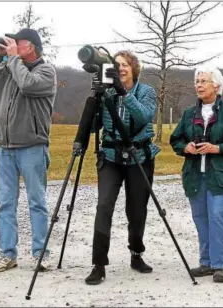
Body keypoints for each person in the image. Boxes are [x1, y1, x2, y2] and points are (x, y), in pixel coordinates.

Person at [0, 28, 57, 273]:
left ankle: (41, 253)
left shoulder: (45, 71)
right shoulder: (8, 67)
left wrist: (11, 59)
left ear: (29, 47)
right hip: (4, 147)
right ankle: (7, 254)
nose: (11, 46)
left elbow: (28, 85)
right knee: (5, 203)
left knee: (37, 202)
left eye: (16, 43)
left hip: (32, 147)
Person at [85, 50, 159, 285]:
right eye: (116, 65)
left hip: (139, 156)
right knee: (104, 206)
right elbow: (92, 126)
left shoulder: (146, 91)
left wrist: (122, 92)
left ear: (134, 68)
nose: (121, 69)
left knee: (136, 210)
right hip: (110, 156)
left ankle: (136, 253)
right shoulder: (106, 91)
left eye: (125, 65)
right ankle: (98, 264)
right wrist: (96, 97)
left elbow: (144, 115)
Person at [169, 65, 223, 283]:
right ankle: (206, 263)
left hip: (222, 176)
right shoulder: (189, 114)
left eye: (204, 81)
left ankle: (221, 265)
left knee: (218, 217)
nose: (199, 85)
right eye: (197, 81)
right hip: (195, 176)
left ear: (217, 85)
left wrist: (218, 148)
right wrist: (185, 147)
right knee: (201, 218)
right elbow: (175, 140)